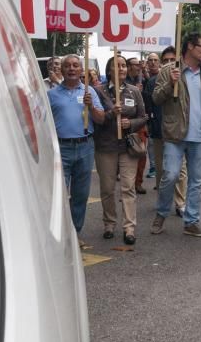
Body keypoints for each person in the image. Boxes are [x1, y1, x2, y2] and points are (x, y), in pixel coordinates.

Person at [151, 32, 201, 237]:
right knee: (170, 175)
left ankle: (191, 222)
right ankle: (161, 213)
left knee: (196, 181)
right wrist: (170, 83)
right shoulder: (170, 70)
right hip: (175, 133)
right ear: (189, 46)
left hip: (200, 135)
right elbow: (157, 98)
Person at [48, 54, 106, 249]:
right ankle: (59, 235)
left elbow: (100, 119)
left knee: (80, 194)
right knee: (60, 194)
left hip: (85, 146)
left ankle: (74, 234)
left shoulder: (91, 93)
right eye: (67, 66)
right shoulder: (52, 94)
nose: (71, 69)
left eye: (75, 65)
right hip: (61, 149)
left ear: (81, 70)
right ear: (61, 70)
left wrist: (91, 106)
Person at [94, 55, 148, 245]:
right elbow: (96, 118)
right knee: (108, 189)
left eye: (124, 65)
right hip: (106, 147)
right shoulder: (98, 92)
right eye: (117, 66)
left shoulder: (134, 91)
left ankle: (129, 228)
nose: (122, 69)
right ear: (109, 70)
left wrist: (130, 123)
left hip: (127, 147)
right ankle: (109, 223)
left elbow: (143, 117)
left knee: (128, 187)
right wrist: (111, 114)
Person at [144, 46, 187, 211]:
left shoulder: (185, 77)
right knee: (163, 170)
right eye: (166, 61)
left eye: (172, 60)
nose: (170, 64)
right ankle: (163, 202)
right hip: (159, 131)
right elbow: (151, 105)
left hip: (178, 132)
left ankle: (180, 203)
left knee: (181, 170)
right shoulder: (153, 82)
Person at [124, 58, 149, 195]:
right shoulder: (123, 81)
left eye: (140, 64)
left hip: (140, 123)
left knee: (141, 153)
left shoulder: (143, 79)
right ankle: (128, 185)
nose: (139, 66)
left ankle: (138, 182)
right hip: (126, 122)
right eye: (136, 64)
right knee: (126, 155)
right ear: (129, 67)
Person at [143, 52, 162, 179]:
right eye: (151, 60)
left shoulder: (163, 76)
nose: (153, 62)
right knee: (151, 144)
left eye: (155, 60)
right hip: (151, 118)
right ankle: (154, 167)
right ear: (147, 63)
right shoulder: (144, 78)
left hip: (163, 118)